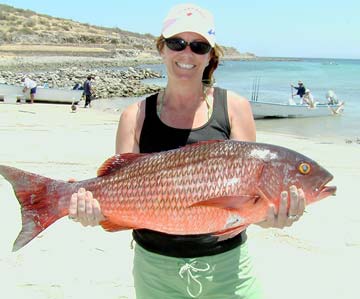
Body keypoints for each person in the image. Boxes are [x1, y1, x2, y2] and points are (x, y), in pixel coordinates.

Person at [68, 3, 306, 298]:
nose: (187, 54)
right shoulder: (134, 115)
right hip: (154, 270)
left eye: (199, 46)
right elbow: (117, 186)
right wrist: (94, 212)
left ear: (210, 56)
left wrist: (269, 217)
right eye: (176, 43)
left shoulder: (235, 108)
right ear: (162, 49)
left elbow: (246, 205)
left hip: (229, 270)